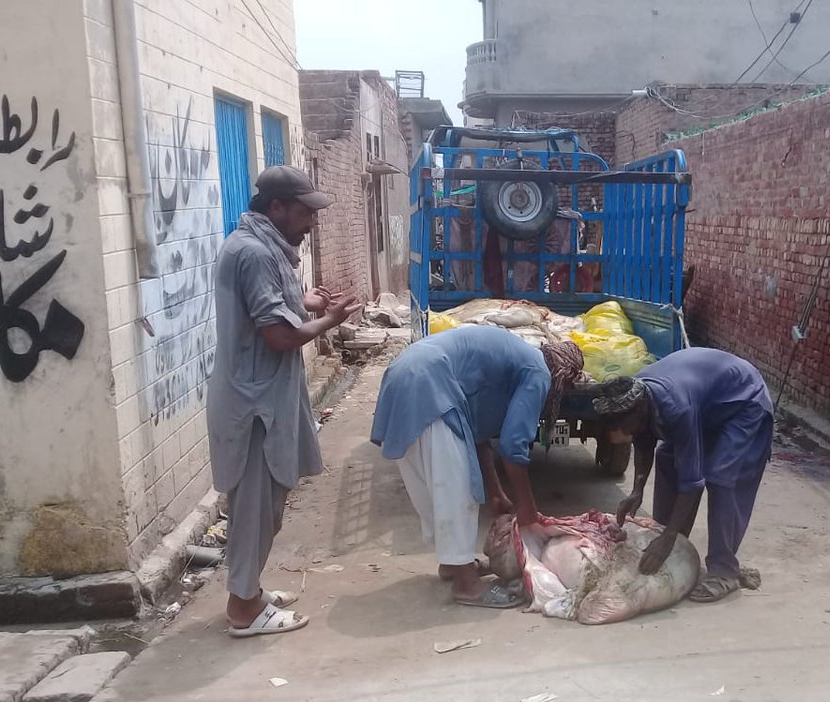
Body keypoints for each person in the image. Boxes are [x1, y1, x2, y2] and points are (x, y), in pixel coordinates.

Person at [208, 165, 360, 637]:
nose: (311, 221)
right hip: (256, 406)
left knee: (262, 504)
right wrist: (328, 321)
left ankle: (247, 589)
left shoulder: (264, 248)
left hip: (262, 398)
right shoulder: (254, 253)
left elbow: (275, 306)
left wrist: (307, 303)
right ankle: (243, 609)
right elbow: (277, 336)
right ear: (275, 208)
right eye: (304, 211)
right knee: (256, 505)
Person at [371, 326, 584, 607]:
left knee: (437, 488)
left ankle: (454, 565)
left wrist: (496, 491)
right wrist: (527, 509)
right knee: (458, 491)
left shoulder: (517, 360)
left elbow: (479, 436)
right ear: (564, 374)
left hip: (405, 374)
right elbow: (512, 446)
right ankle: (467, 585)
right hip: (429, 383)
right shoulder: (538, 372)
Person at [593, 347, 774, 603]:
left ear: (641, 407)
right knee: (667, 458)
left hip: (742, 402)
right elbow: (643, 440)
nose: (622, 431)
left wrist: (668, 537)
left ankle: (725, 571)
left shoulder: (675, 407)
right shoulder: (640, 399)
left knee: (721, 477)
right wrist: (637, 490)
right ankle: (675, 547)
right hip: (708, 403)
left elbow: (692, 482)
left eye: (624, 424)